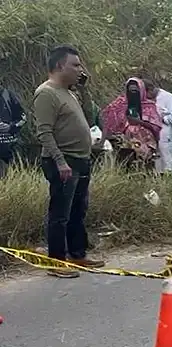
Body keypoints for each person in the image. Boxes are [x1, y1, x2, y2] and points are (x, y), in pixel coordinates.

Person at [33, 45, 105, 278]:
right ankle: (56, 262)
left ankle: (77, 254)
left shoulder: (68, 91)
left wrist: (84, 90)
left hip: (80, 159)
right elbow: (44, 132)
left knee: (78, 209)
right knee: (60, 213)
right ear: (59, 66)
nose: (79, 69)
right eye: (75, 65)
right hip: (63, 161)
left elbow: (89, 115)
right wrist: (60, 162)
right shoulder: (46, 93)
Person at [101, 77, 163, 167]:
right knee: (126, 165)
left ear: (141, 90)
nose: (133, 93)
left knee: (144, 166)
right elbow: (108, 121)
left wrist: (139, 122)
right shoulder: (119, 104)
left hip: (145, 142)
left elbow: (156, 126)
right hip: (124, 142)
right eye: (130, 90)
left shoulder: (148, 106)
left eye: (136, 90)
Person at [0, 84, 26, 178]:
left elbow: (22, 119)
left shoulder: (8, 95)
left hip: (10, 150)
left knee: (10, 181)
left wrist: (10, 127)